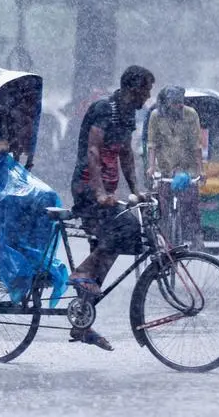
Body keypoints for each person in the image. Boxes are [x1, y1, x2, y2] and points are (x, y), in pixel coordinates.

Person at [69, 65, 155, 351]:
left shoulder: (128, 113)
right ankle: (80, 273)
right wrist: (99, 191)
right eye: (146, 89)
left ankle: (82, 322)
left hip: (106, 190)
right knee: (127, 227)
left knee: (109, 249)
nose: (148, 95)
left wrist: (135, 190)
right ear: (133, 89)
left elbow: (126, 153)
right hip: (87, 188)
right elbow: (93, 150)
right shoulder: (105, 109)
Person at [146, 86, 204, 249]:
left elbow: (196, 145)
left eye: (181, 102)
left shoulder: (191, 115)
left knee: (191, 205)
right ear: (166, 103)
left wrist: (201, 170)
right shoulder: (156, 116)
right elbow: (152, 144)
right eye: (175, 103)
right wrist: (151, 167)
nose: (179, 106)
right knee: (162, 207)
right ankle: (164, 239)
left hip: (187, 168)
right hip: (165, 168)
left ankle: (196, 236)